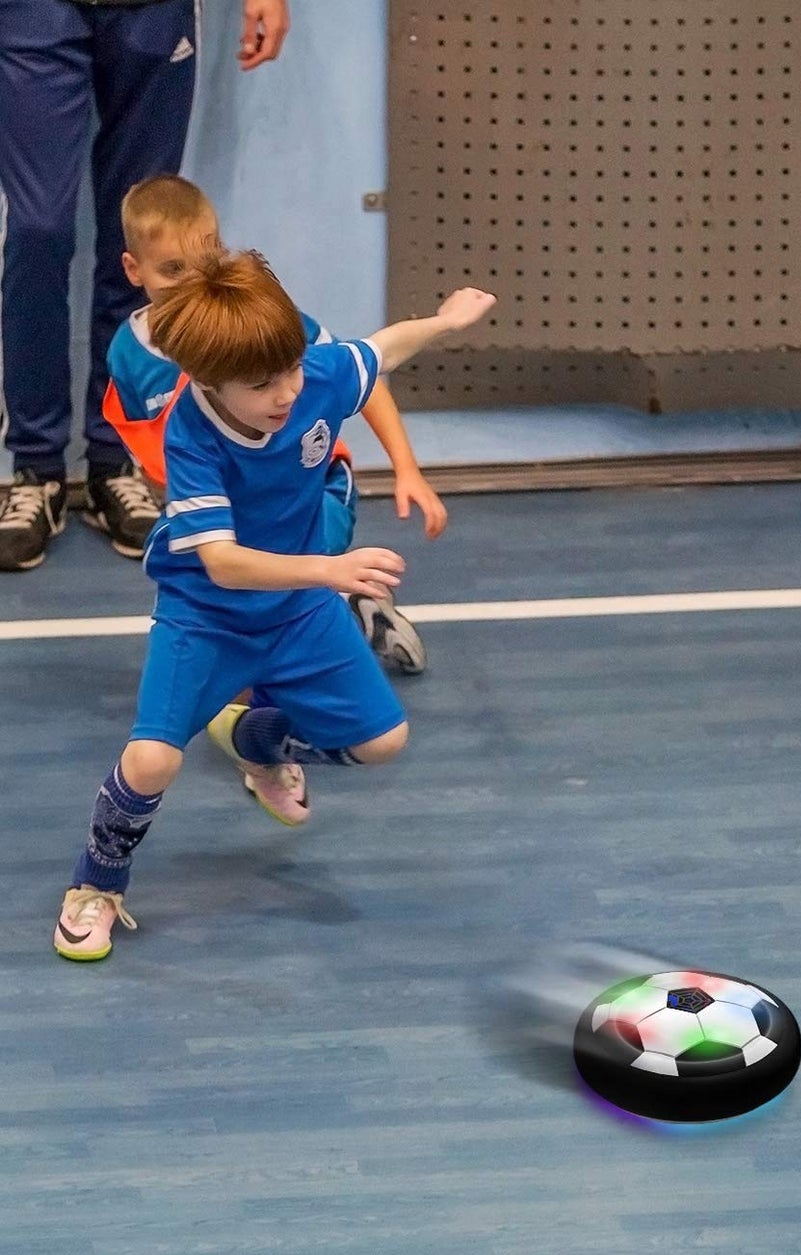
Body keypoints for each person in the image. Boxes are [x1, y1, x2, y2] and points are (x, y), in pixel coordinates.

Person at [52, 250, 495, 962]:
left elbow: (381, 350)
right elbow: (222, 562)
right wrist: (330, 569)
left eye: (291, 370)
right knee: (152, 759)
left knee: (381, 742)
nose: (287, 392)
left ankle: (257, 742)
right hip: (207, 615)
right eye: (262, 384)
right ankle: (96, 884)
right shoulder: (192, 435)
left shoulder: (308, 377)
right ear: (206, 380)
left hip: (297, 611)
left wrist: (444, 321)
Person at [104, 173, 442, 672]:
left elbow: (360, 376)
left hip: (314, 487)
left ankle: (338, 611)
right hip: (240, 509)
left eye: (203, 262)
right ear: (134, 270)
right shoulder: (128, 357)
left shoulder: (265, 325)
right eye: (172, 270)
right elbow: (156, 452)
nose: (191, 282)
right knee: (237, 594)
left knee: (294, 574)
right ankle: (331, 617)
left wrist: (406, 468)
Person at [0, 0, 289, 572]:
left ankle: (116, 458)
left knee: (147, 246)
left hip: (153, 11)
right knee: (37, 233)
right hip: (34, 12)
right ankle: (37, 470)